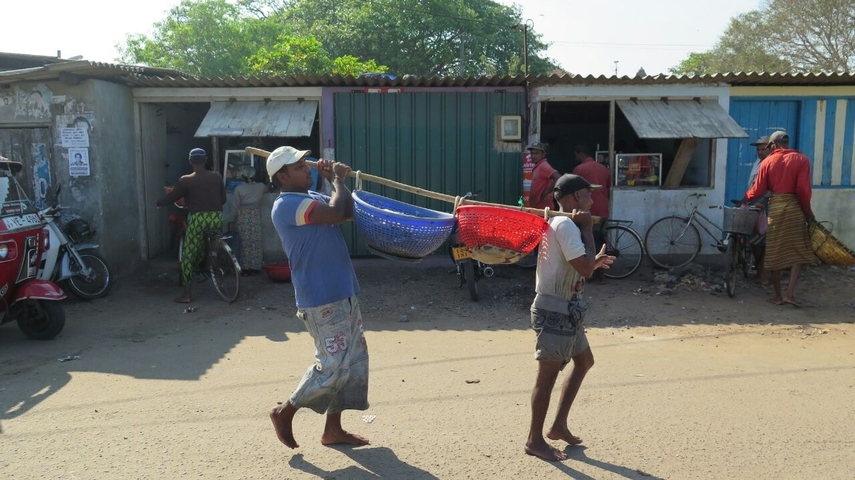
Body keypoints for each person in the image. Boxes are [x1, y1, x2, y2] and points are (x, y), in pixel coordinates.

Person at [267, 145, 370, 450]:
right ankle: (285, 412)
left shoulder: (310, 198)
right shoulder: (286, 205)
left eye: (305, 164)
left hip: (343, 290)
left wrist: (331, 180)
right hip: (321, 297)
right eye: (298, 167)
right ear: (282, 176)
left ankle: (333, 430)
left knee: (351, 362)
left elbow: (347, 211)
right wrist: (337, 179)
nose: (306, 169)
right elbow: (337, 214)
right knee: (332, 364)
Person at [525, 174, 615, 462]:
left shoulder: (562, 223)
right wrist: (588, 231)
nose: (592, 200)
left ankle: (558, 425)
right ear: (576, 197)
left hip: (569, 309)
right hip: (555, 311)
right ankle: (534, 440)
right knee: (547, 376)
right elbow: (586, 270)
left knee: (584, 361)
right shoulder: (566, 225)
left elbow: (581, 265)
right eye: (588, 195)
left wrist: (594, 260)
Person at [744, 131, 815, 307]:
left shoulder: (767, 162)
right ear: (787, 143)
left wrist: (746, 198)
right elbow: (803, 190)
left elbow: (758, 190)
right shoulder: (802, 160)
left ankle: (778, 296)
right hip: (795, 207)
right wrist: (808, 212)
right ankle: (790, 294)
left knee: (774, 251)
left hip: (775, 207)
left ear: (773, 145)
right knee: (798, 250)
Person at [156, 148, 226, 303]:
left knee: (188, 255)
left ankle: (186, 294)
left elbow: (172, 197)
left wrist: (160, 202)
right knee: (214, 243)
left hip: (198, 219)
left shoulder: (186, 180)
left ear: (190, 161)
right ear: (205, 160)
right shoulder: (216, 176)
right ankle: (213, 266)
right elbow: (223, 199)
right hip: (217, 217)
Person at [227, 165, 267, 276]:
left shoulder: (239, 189)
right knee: (256, 241)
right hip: (255, 215)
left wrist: (231, 220)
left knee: (245, 242)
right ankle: (256, 266)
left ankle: (246, 268)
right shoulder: (261, 186)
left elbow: (235, 206)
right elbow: (269, 187)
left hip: (243, 216)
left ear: (243, 177)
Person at [746, 136, 772, 284]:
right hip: (756, 203)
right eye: (758, 149)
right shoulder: (758, 163)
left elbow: (773, 186)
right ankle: (760, 270)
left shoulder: (773, 164)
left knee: (765, 241)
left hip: (767, 205)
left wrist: (763, 201)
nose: (760, 152)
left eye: (763, 149)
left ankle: (764, 275)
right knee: (754, 240)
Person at [527, 142, 561, 210]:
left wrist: (546, 192)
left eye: (536, 153)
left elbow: (558, 177)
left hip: (544, 208)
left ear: (543, 154)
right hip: (538, 207)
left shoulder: (544, 166)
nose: (533, 156)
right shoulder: (538, 166)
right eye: (532, 153)